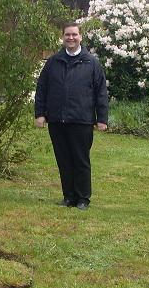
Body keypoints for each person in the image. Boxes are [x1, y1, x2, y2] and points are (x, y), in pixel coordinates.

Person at [34, 22, 109, 210]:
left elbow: (100, 92)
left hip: (81, 120)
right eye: (67, 34)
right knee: (64, 160)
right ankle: (68, 197)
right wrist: (40, 114)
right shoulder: (53, 62)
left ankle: (83, 198)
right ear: (63, 37)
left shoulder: (91, 63)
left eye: (74, 34)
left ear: (80, 37)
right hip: (57, 120)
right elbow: (42, 88)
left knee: (81, 160)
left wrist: (102, 118)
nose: (71, 38)